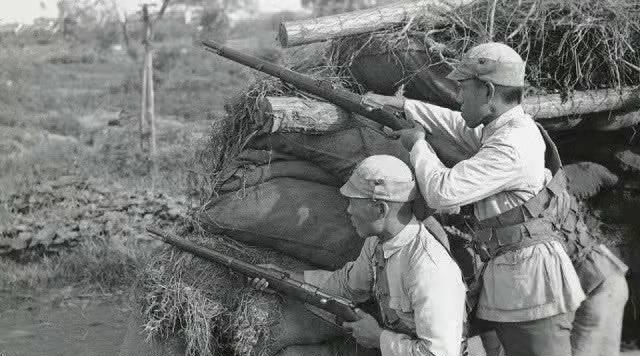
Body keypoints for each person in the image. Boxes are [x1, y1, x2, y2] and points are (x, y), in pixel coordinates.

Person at [363, 42, 590, 356]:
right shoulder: (503, 128)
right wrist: (403, 106)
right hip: (515, 276)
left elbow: (442, 192)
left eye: (463, 88)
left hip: (533, 286)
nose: (459, 96)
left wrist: (418, 146)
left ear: (487, 90)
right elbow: (457, 126)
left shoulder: (512, 144)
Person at [250, 154, 467, 356]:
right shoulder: (377, 242)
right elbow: (347, 285)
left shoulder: (428, 269)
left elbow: (440, 353)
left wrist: (379, 338)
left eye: (354, 202)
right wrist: (283, 278)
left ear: (380, 209)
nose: (349, 210)